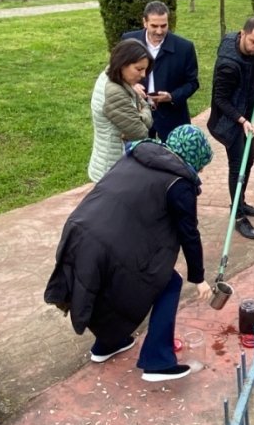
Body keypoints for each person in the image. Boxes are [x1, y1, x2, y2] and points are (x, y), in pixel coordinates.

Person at [45, 124, 214, 383]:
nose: (201, 171)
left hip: (80, 228)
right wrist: (198, 277)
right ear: (194, 157)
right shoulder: (179, 182)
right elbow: (188, 233)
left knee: (106, 286)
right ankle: (158, 361)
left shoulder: (139, 154)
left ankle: (108, 344)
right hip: (108, 242)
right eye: (201, 164)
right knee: (169, 283)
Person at [207, 17, 254, 240]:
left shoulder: (245, 46)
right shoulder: (228, 65)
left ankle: (240, 202)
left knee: (249, 159)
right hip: (228, 122)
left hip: (244, 117)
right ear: (242, 34)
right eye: (253, 42)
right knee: (238, 166)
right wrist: (241, 120)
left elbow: (251, 59)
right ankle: (239, 217)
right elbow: (220, 99)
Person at [121, 1, 200, 142]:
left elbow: (192, 83)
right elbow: (117, 72)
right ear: (144, 22)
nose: (159, 31)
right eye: (154, 26)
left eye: (163, 26)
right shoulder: (129, 41)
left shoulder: (184, 48)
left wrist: (172, 96)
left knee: (174, 161)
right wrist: (131, 86)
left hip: (173, 118)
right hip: (137, 115)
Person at [88, 39, 155, 182]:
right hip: (113, 171)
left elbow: (144, 105)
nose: (143, 75)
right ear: (122, 64)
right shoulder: (114, 92)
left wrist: (139, 114)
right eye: (139, 69)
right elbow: (140, 132)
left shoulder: (114, 76)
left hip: (114, 166)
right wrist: (142, 116)